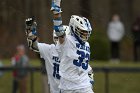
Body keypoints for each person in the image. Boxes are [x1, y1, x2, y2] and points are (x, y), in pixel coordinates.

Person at [25, 18, 94, 93]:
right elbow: (33, 46)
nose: (58, 40)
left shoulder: (74, 50)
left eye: (59, 38)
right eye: (56, 38)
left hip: (71, 88)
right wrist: (30, 31)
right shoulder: (49, 50)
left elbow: (88, 70)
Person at [51, 0, 94, 92]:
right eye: (83, 32)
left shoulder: (87, 44)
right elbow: (58, 28)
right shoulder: (67, 40)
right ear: (74, 28)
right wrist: (56, 9)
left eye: (86, 33)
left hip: (84, 86)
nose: (85, 35)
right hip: (68, 87)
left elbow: (86, 66)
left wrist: (90, 79)